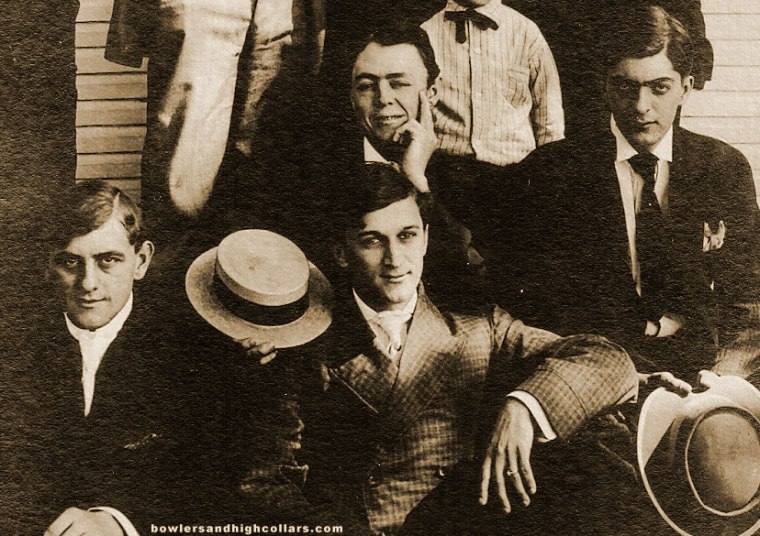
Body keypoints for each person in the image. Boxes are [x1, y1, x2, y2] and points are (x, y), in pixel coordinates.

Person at [230, 163, 638, 535]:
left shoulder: (477, 327)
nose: (395, 259)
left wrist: (524, 407)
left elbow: (607, 361)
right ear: (341, 253)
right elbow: (265, 484)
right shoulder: (301, 344)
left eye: (407, 236)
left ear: (425, 239)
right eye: (372, 241)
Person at [516, 5, 759, 379]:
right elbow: (541, 307)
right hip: (601, 365)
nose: (641, 107)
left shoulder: (724, 168)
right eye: (625, 87)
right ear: (605, 87)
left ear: (685, 87)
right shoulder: (554, 172)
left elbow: (747, 296)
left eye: (659, 87)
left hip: (705, 362)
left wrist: (721, 380)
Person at [5, 182, 240, 535]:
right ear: (47, 265)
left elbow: (212, 485)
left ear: (141, 261)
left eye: (108, 260)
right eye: (70, 262)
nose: (88, 283)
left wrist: (120, 522)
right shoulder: (14, 347)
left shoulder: (194, 355)